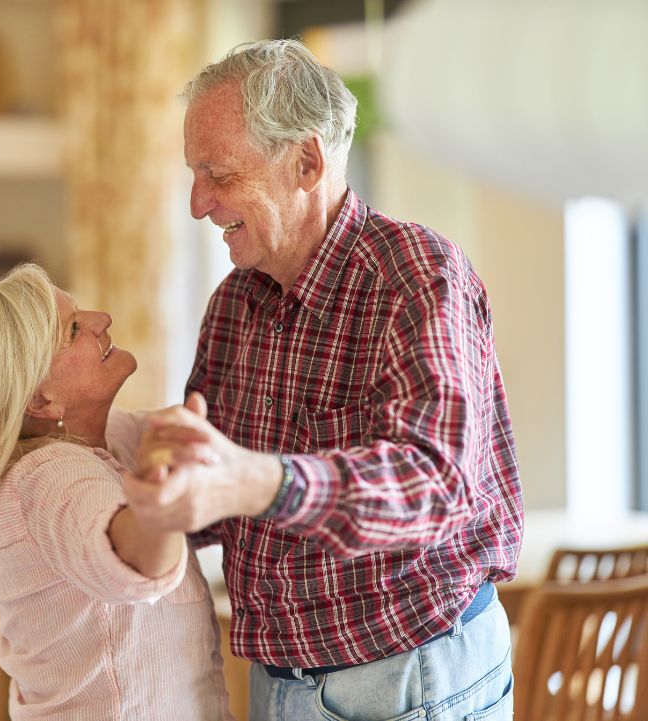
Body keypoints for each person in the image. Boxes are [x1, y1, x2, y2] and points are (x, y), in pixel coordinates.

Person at [121, 40, 523, 720]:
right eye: (194, 174)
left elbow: (434, 484)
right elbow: (204, 484)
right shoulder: (236, 304)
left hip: (409, 674)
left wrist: (261, 480)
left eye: (217, 174)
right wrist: (49, 525)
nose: (197, 203)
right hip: (280, 678)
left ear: (307, 162)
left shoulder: (416, 278)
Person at [0, 264, 233, 721]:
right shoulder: (48, 477)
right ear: (40, 402)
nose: (102, 318)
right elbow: (126, 558)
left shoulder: (107, 441)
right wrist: (160, 500)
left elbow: (214, 430)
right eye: (74, 329)